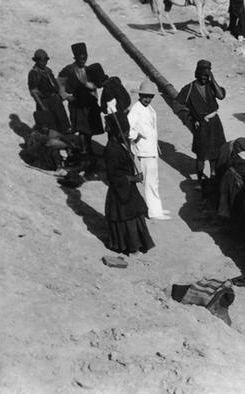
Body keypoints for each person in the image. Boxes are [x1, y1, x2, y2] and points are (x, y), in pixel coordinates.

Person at [104, 109, 155, 256]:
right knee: (127, 218)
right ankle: (131, 248)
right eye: (124, 132)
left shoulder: (120, 144)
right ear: (115, 132)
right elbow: (113, 176)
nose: (127, 134)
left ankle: (139, 245)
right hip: (120, 191)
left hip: (128, 189)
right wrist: (134, 178)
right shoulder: (111, 150)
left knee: (136, 215)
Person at [176, 59, 226, 187]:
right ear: (197, 74)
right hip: (201, 124)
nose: (204, 79)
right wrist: (190, 120)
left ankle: (213, 175)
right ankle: (199, 181)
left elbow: (220, 96)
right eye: (202, 76)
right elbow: (177, 105)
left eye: (207, 76)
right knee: (201, 153)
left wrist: (213, 80)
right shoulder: (189, 89)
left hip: (215, 122)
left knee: (216, 151)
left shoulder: (211, 86)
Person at [128, 80, 170, 220]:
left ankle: (157, 208)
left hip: (152, 149)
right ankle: (153, 212)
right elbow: (128, 129)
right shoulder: (136, 109)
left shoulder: (149, 109)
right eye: (145, 96)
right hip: (144, 150)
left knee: (154, 180)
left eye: (150, 96)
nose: (147, 99)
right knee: (150, 181)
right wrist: (137, 136)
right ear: (140, 95)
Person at [58, 42, 104, 155]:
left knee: (89, 129)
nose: (83, 61)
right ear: (75, 58)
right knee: (82, 129)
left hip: (89, 104)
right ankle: (83, 151)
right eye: (80, 59)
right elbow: (59, 83)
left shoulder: (90, 70)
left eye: (85, 58)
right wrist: (67, 97)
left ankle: (88, 148)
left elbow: (97, 85)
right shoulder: (69, 70)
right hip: (77, 104)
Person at [27, 49, 70, 133]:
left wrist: (59, 96)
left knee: (61, 122)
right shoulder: (33, 73)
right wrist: (42, 105)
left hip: (54, 100)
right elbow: (34, 91)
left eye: (45, 61)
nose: (43, 63)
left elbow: (54, 83)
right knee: (48, 125)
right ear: (36, 61)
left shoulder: (48, 71)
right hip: (44, 101)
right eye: (41, 61)